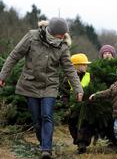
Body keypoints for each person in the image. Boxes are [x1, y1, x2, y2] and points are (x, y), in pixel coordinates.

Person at [0, 17, 83, 159]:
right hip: (30, 84)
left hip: (49, 86)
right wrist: (2, 75)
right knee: (37, 120)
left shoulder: (62, 47)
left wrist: (78, 89)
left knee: (47, 116)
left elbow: (69, 69)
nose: (62, 37)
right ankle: (43, 142)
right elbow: (15, 55)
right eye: (60, 34)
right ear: (51, 31)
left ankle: (46, 149)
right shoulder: (32, 37)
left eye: (64, 35)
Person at [60, 53, 93, 154]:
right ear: (76, 66)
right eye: (83, 64)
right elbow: (64, 93)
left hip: (86, 106)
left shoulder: (90, 76)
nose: (86, 66)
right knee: (72, 125)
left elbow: (93, 89)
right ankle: (78, 141)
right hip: (73, 107)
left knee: (84, 124)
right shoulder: (67, 79)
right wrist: (66, 104)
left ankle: (82, 143)